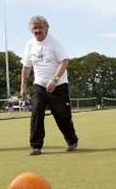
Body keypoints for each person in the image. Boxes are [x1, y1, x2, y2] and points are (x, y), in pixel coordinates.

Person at [20, 15, 79, 155]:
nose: (37, 30)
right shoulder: (30, 45)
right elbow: (26, 67)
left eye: (40, 27)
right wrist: (23, 86)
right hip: (39, 85)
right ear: (31, 30)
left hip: (58, 85)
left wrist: (55, 79)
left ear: (46, 28)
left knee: (62, 117)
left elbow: (64, 61)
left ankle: (72, 140)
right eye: (34, 28)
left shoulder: (54, 41)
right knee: (36, 112)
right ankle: (35, 146)